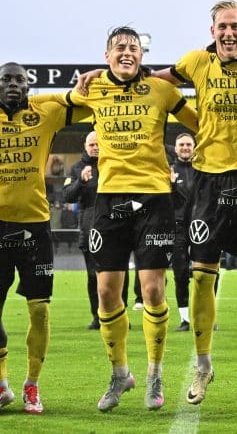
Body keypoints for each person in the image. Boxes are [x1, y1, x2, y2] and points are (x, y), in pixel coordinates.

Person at [49, 26, 199, 412]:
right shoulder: (93, 90)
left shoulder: (162, 91)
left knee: (152, 290)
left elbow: (202, 123)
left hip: (154, 201)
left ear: (141, 55)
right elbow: (54, 108)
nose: (127, 52)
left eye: (133, 47)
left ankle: (154, 372)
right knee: (105, 293)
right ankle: (120, 373)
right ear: (106, 55)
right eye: (120, 48)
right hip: (108, 200)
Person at [0, 62, 88, 414]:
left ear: (28, 86)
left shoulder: (45, 114)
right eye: (6, 80)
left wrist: (65, 91)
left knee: (39, 310)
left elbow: (83, 100)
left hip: (36, 226)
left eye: (20, 80)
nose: (13, 84)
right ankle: (0, 386)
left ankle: (32, 385)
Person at [64, 131, 134, 330]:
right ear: (85, 147)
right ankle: (97, 317)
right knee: (93, 276)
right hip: (90, 231)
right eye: (91, 144)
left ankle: (121, 314)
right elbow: (67, 196)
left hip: (116, 229)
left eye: (98, 144)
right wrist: (81, 182)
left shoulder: (114, 164)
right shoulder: (77, 168)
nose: (95, 147)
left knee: (120, 274)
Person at [170, 132, 195, 331]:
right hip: (177, 227)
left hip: (201, 226)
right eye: (182, 144)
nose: (185, 147)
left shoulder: (202, 169)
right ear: (176, 148)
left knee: (208, 273)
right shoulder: (168, 170)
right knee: (180, 272)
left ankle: (207, 316)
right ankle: (185, 319)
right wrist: (170, 184)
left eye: (188, 144)